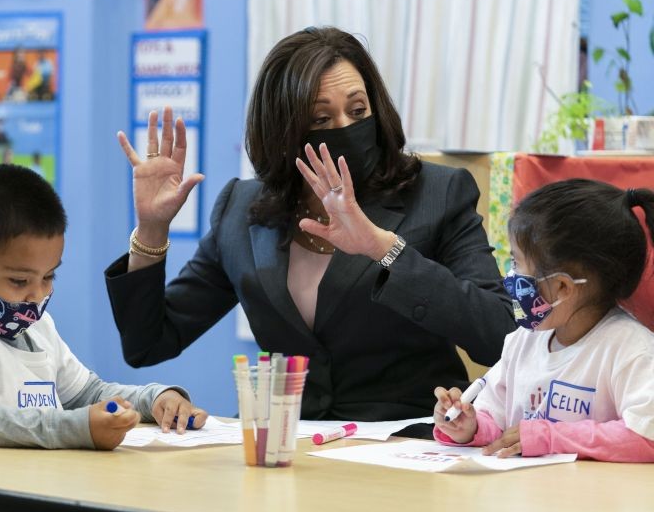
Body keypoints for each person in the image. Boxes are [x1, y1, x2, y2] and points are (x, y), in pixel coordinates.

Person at [106, 26, 515, 427]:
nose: (344, 128)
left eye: (357, 112)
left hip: (405, 442)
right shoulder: (240, 207)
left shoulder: (437, 193)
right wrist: (152, 231)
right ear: (283, 131)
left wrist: (383, 247)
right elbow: (148, 343)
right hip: (285, 442)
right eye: (321, 117)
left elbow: (499, 334)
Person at [0, 164, 207, 512]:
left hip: (20, 493)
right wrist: (77, 428)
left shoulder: (34, 326)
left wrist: (153, 399)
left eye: (48, 276)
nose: (37, 295)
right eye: (18, 281)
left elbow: (86, 394)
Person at [433, 180, 654, 461]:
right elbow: (497, 421)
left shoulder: (632, 349)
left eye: (517, 263)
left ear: (563, 286)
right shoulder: (523, 340)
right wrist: (468, 425)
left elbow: (646, 436)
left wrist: (551, 438)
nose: (509, 276)